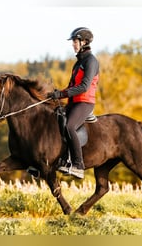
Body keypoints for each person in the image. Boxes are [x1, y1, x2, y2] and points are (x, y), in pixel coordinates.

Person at [47, 27, 99, 179]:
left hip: (85, 103)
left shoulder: (91, 61)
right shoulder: (78, 63)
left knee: (70, 126)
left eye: (75, 41)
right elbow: (72, 87)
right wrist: (56, 94)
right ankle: (57, 160)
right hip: (74, 102)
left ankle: (78, 165)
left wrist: (61, 94)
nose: (73, 45)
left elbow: (84, 86)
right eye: (73, 42)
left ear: (84, 42)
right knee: (55, 120)